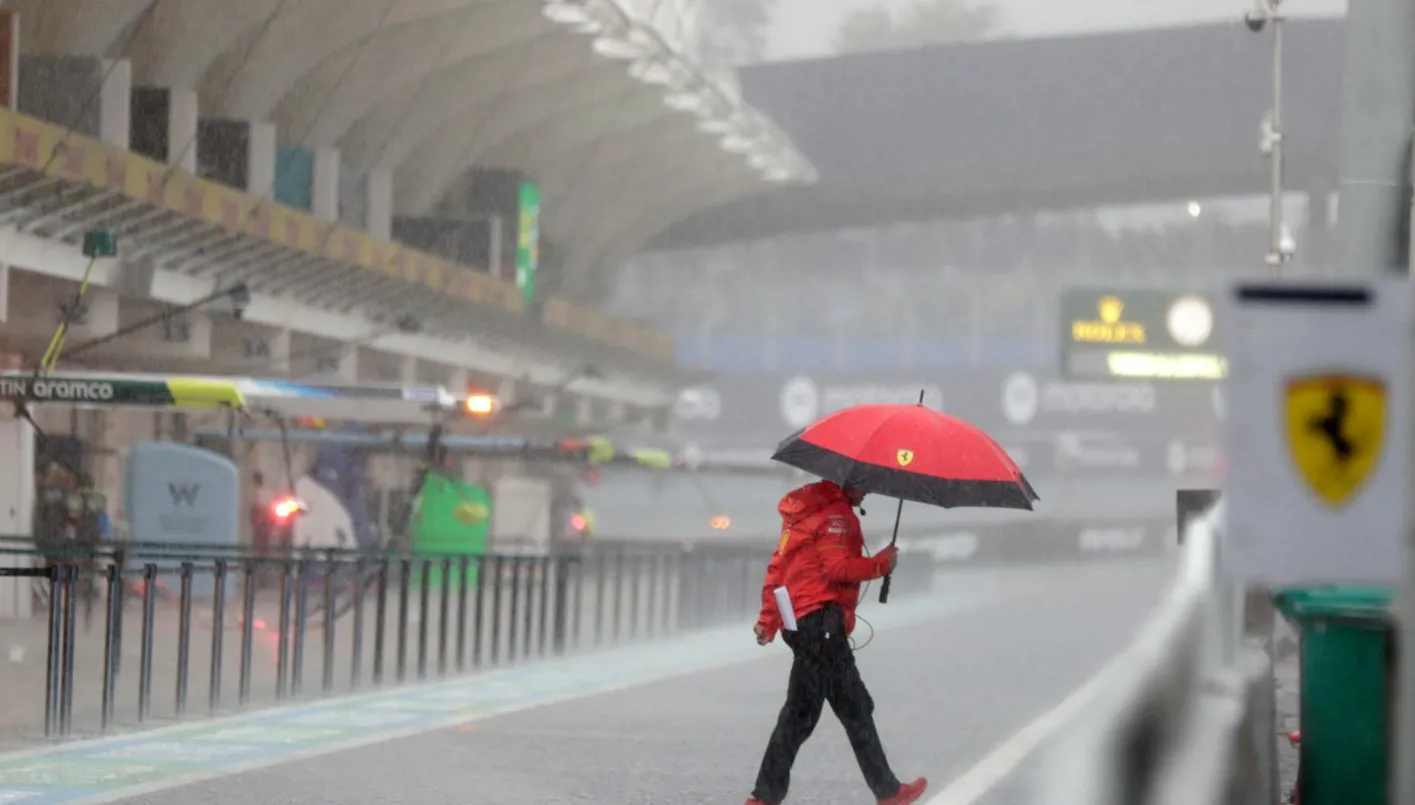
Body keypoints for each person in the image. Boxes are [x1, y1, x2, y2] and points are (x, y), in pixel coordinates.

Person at [744, 480, 928, 805]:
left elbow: (779, 570)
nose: (868, 491)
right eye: (864, 484)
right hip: (822, 625)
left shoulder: (802, 514)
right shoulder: (837, 516)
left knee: (809, 713)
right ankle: (887, 792)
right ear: (848, 483)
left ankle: (765, 797)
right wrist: (881, 564)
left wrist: (769, 620)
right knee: (845, 711)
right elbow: (838, 569)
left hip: (800, 622)